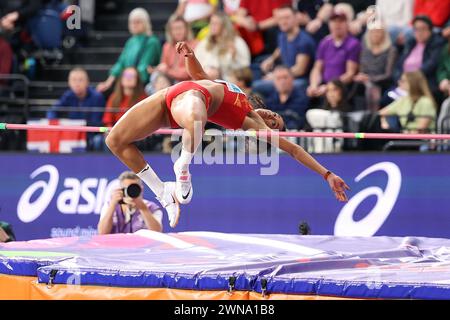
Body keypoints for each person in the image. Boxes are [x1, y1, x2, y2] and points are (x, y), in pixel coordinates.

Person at [105, 41, 350, 228]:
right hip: (168, 96)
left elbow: (295, 150)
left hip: (190, 103)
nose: (273, 120)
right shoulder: (239, 93)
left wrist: (326, 174)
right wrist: (191, 57)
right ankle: (163, 192)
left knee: (195, 117)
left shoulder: (251, 123)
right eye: (276, 117)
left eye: (275, 125)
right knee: (114, 141)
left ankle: (183, 166)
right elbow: (200, 78)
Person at [254, 6, 316, 97]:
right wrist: (271, 59)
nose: (283, 22)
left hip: (300, 80)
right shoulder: (282, 35)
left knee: (257, 86)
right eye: (280, 19)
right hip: (284, 76)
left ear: (296, 18)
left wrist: (276, 77)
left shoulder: (304, 41)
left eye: (287, 18)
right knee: (255, 71)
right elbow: (280, 49)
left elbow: (299, 70)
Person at [96, 8, 161, 93]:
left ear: (145, 23)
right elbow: (121, 63)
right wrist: (108, 82)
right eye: (132, 22)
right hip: (128, 81)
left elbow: (144, 66)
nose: (134, 25)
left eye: (138, 22)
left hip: (142, 85)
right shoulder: (130, 41)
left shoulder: (152, 41)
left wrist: (127, 79)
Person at [307, 8, 361, 99]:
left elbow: (350, 74)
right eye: (334, 21)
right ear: (329, 24)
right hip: (325, 85)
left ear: (347, 24)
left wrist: (329, 87)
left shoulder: (353, 44)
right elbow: (317, 68)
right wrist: (313, 85)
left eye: (341, 21)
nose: (337, 24)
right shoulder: (324, 43)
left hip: (342, 88)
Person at [47, 67, 105, 150]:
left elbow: (96, 122)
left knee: (97, 140)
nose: (77, 83)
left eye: (80, 80)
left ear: (87, 82)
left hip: (90, 135)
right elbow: (52, 111)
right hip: (73, 134)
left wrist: (79, 124)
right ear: (69, 82)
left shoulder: (97, 97)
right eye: (74, 80)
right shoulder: (68, 95)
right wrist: (56, 123)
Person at [98, 171, 163, 234]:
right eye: (127, 188)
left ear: (141, 189)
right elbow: (102, 232)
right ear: (121, 189)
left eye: (134, 188)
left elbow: (157, 232)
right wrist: (112, 205)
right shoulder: (109, 205)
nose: (131, 191)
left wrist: (143, 208)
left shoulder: (152, 207)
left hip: (141, 244)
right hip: (114, 244)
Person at [353, 18, 397, 110]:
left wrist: (370, 78)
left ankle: (373, 117)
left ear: (384, 34)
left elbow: (388, 74)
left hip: (382, 81)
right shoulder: (364, 50)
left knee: (371, 87)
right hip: (365, 81)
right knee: (357, 85)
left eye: (378, 32)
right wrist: (361, 76)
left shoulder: (391, 50)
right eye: (373, 32)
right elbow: (362, 69)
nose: (376, 35)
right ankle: (360, 117)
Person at [194, 12, 250, 82]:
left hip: (228, 80)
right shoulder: (205, 43)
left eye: (216, 24)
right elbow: (196, 62)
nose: (212, 26)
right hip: (205, 78)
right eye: (211, 23)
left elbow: (244, 66)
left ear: (224, 26)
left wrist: (232, 56)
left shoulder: (237, 42)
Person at [394, 15, 445, 92]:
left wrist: (410, 79)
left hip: (423, 84)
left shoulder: (437, 43)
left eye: (423, 29)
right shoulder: (411, 43)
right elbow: (398, 66)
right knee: (386, 98)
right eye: (416, 29)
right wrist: (399, 80)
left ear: (430, 30)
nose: (419, 32)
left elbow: (431, 65)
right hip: (403, 84)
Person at [306, 80, 351, 152]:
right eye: (328, 90)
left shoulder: (349, 111)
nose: (331, 94)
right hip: (320, 147)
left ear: (342, 91)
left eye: (334, 90)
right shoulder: (321, 112)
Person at [261, 65, 309, 129]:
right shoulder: (270, 100)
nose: (282, 82)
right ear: (274, 82)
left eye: (285, 77)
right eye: (278, 78)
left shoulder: (301, 97)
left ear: (292, 78)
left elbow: (297, 120)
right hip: (274, 133)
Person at [151, 15, 197, 84]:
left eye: (180, 28)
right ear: (170, 31)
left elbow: (189, 72)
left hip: (187, 82)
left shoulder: (194, 45)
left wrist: (168, 71)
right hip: (169, 81)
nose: (178, 32)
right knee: (155, 77)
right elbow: (163, 66)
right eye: (175, 29)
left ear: (186, 29)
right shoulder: (167, 46)